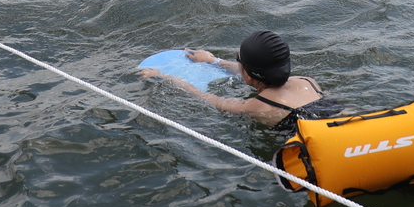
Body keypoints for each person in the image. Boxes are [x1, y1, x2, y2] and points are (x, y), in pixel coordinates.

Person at [141, 30, 341, 131]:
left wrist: (167, 77)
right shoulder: (307, 81)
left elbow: (210, 99)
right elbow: (250, 72)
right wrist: (212, 61)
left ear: (249, 75)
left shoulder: (257, 106)